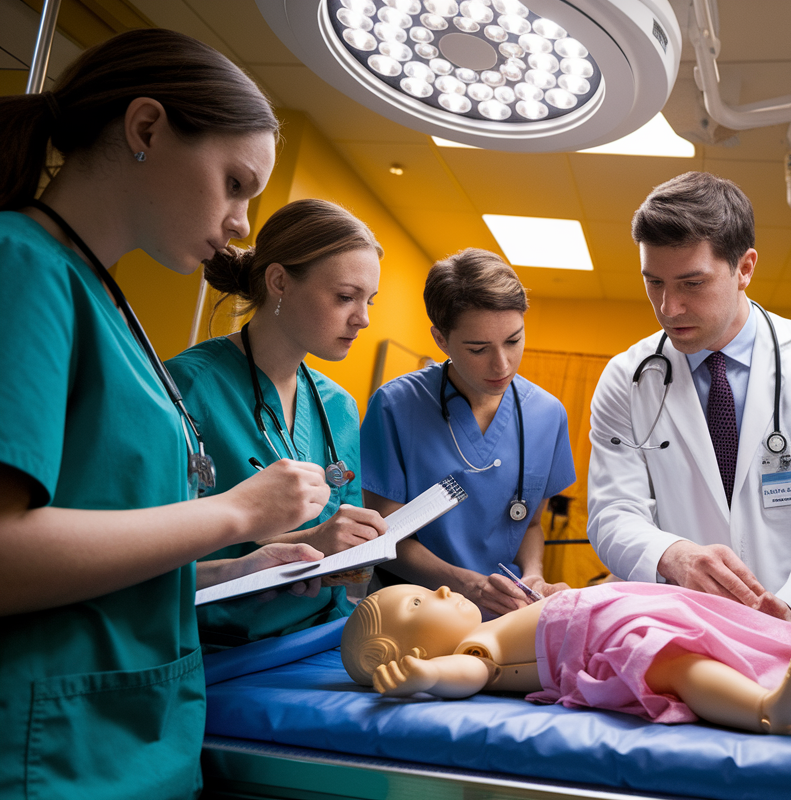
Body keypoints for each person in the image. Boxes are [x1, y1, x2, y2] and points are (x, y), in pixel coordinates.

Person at [0, 29, 333, 799]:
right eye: (235, 183)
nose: (243, 222)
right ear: (146, 129)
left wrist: (235, 568)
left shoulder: (107, 302)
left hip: (133, 742)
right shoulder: (23, 265)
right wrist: (235, 512)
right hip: (48, 752)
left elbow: (108, 544)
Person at [587, 172, 791, 631]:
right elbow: (612, 513)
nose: (669, 307)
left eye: (692, 283)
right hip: (675, 625)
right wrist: (673, 555)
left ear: (744, 268)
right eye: (654, 283)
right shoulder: (627, 378)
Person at [166, 198, 387, 651]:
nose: (363, 319)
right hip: (212, 646)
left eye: (369, 301)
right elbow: (148, 553)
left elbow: (344, 538)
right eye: (346, 297)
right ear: (280, 281)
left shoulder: (339, 407)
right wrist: (313, 541)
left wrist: (353, 554)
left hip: (321, 638)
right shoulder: (185, 388)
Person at [342, 582, 791, 735]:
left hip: (632, 610)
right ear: (410, 652)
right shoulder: (471, 650)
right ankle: (765, 708)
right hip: (610, 644)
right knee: (681, 667)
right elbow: (467, 677)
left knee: (748, 643)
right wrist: (428, 678)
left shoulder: (487, 624)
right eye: (417, 602)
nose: (439, 591)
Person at [361, 248, 575, 615]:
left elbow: (532, 524)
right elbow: (387, 538)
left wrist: (534, 574)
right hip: (414, 612)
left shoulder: (547, 413)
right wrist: (467, 584)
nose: (502, 364)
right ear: (441, 340)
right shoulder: (396, 406)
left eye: (513, 340)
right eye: (478, 349)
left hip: (505, 612)